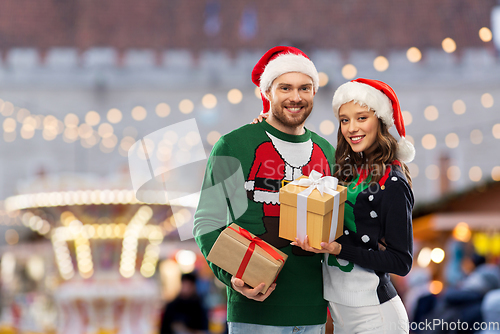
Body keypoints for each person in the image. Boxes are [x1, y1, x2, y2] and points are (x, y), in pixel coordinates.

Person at [193, 46, 336, 333]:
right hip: (254, 314)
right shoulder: (235, 146)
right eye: (285, 88)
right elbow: (207, 222)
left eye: (304, 88)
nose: (296, 97)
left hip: (314, 313)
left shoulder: (327, 151)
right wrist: (231, 274)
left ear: (314, 93)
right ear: (267, 92)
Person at [292, 78, 415, 334]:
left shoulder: (393, 183)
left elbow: (401, 261)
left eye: (361, 118)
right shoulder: (346, 173)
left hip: (376, 316)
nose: (351, 128)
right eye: (345, 119)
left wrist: (339, 249)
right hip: (341, 316)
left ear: (380, 121)